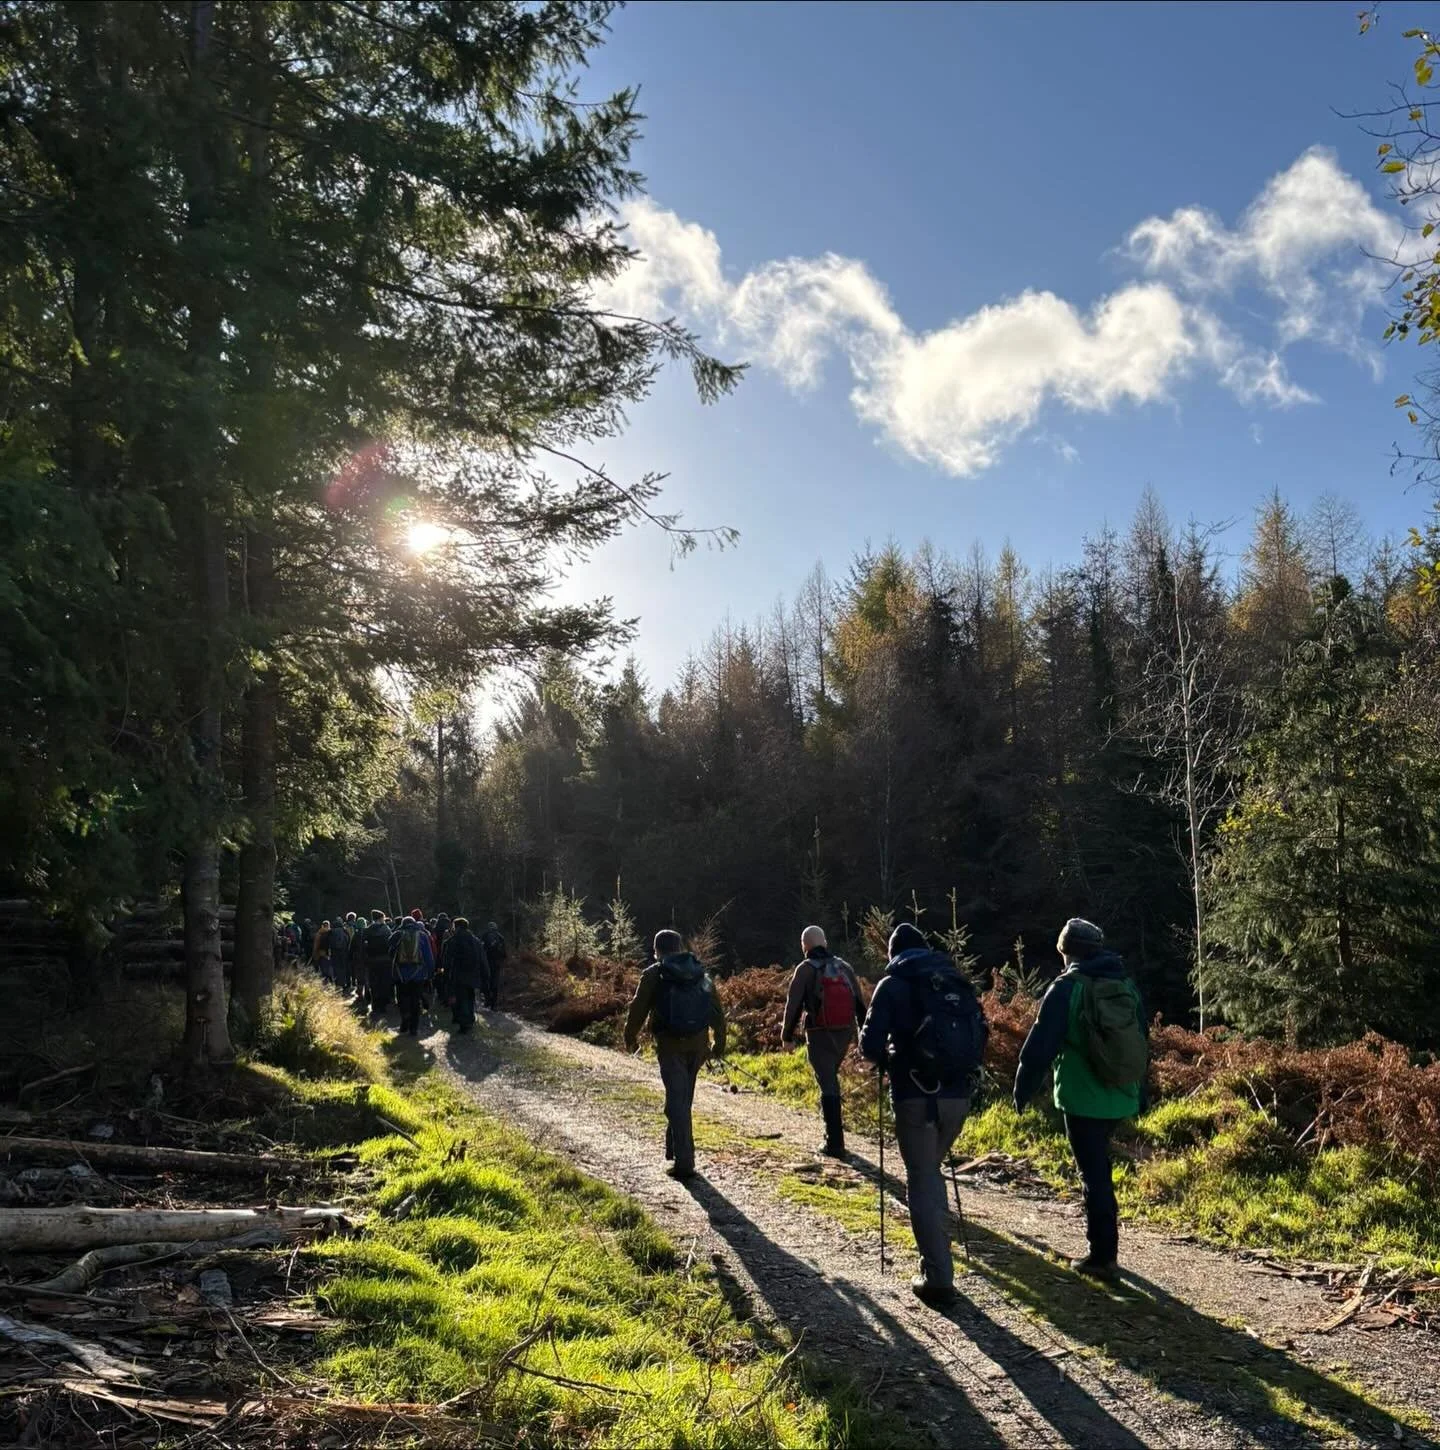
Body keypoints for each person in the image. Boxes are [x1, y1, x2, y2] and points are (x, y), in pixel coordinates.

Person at [860, 922, 988, 1308]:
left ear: (893, 953)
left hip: (915, 1094)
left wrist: (890, 1058)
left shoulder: (893, 984)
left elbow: (869, 1045)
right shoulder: (954, 981)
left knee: (922, 1177)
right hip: (959, 1095)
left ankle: (937, 1277)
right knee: (931, 1171)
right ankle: (938, 1259)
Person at [1013, 918, 1147, 1281]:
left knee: (1094, 1174)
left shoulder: (1066, 988)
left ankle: (1102, 1256)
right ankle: (1105, 1249)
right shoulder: (1125, 984)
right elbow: (1142, 1040)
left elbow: (1038, 1048)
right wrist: (1142, 1093)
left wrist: (1022, 1090)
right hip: (1121, 1094)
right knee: (1099, 1167)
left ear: (1065, 951)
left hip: (1082, 1098)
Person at [623, 930, 726, 1181]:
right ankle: (675, 1150)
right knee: (683, 1098)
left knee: (676, 1103)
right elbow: (716, 1010)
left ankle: (685, 1162)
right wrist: (719, 1044)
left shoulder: (654, 974)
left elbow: (638, 1009)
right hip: (699, 1045)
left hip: (670, 1046)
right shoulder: (699, 971)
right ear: (679, 948)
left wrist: (630, 1038)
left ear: (656, 951)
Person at [782, 925, 865, 1157]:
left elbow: (793, 1006)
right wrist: (863, 1038)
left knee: (828, 1083)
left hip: (819, 1033)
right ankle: (834, 1137)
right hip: (844, 1033)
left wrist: (787, 1037)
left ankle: (834, 1143)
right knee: (831, 1080)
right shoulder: (844, 967)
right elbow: (860, 1005)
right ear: (825, 942)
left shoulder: (805, 969)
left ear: (804, 946)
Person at [390, 909, 435, 1036]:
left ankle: (405, 1017)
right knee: (415, 1000)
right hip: (418, 974)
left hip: (400, 974)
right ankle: (414, 1028)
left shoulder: (396, 934)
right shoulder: (422, 936)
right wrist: (430, 973)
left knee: (402, 998)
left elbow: (390, 952)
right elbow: (428, 957)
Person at [442, 917, 485, 1034]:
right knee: (470, 997)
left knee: (461, 1000)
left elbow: (447, 961)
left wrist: (446, 976)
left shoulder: (452, 941)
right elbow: (482, 959)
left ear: (457, 927)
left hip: (458, 976)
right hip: (473, 975)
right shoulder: (476, 941)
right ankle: (470, 1019)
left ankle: (465, 1024)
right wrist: (485, 976)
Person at [361, 910, 395, 1021]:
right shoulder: (386, 929)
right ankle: (383, 1005)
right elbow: (391, 945)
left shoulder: (367, 930)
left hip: (372, 961)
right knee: (384, 982)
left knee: (374, 983)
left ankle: (375, 1005)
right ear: (380, 918)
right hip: (385, 960)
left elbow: (363, 946)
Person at [479, 921, 506, 1011]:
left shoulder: (484, 936)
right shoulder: (500, 937)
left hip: (486, 963)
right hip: (496, 963)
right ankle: (494, 1004)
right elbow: (504, 953)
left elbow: (481, 949)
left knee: (486, 981)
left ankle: (487, 1000)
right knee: (495, 982)